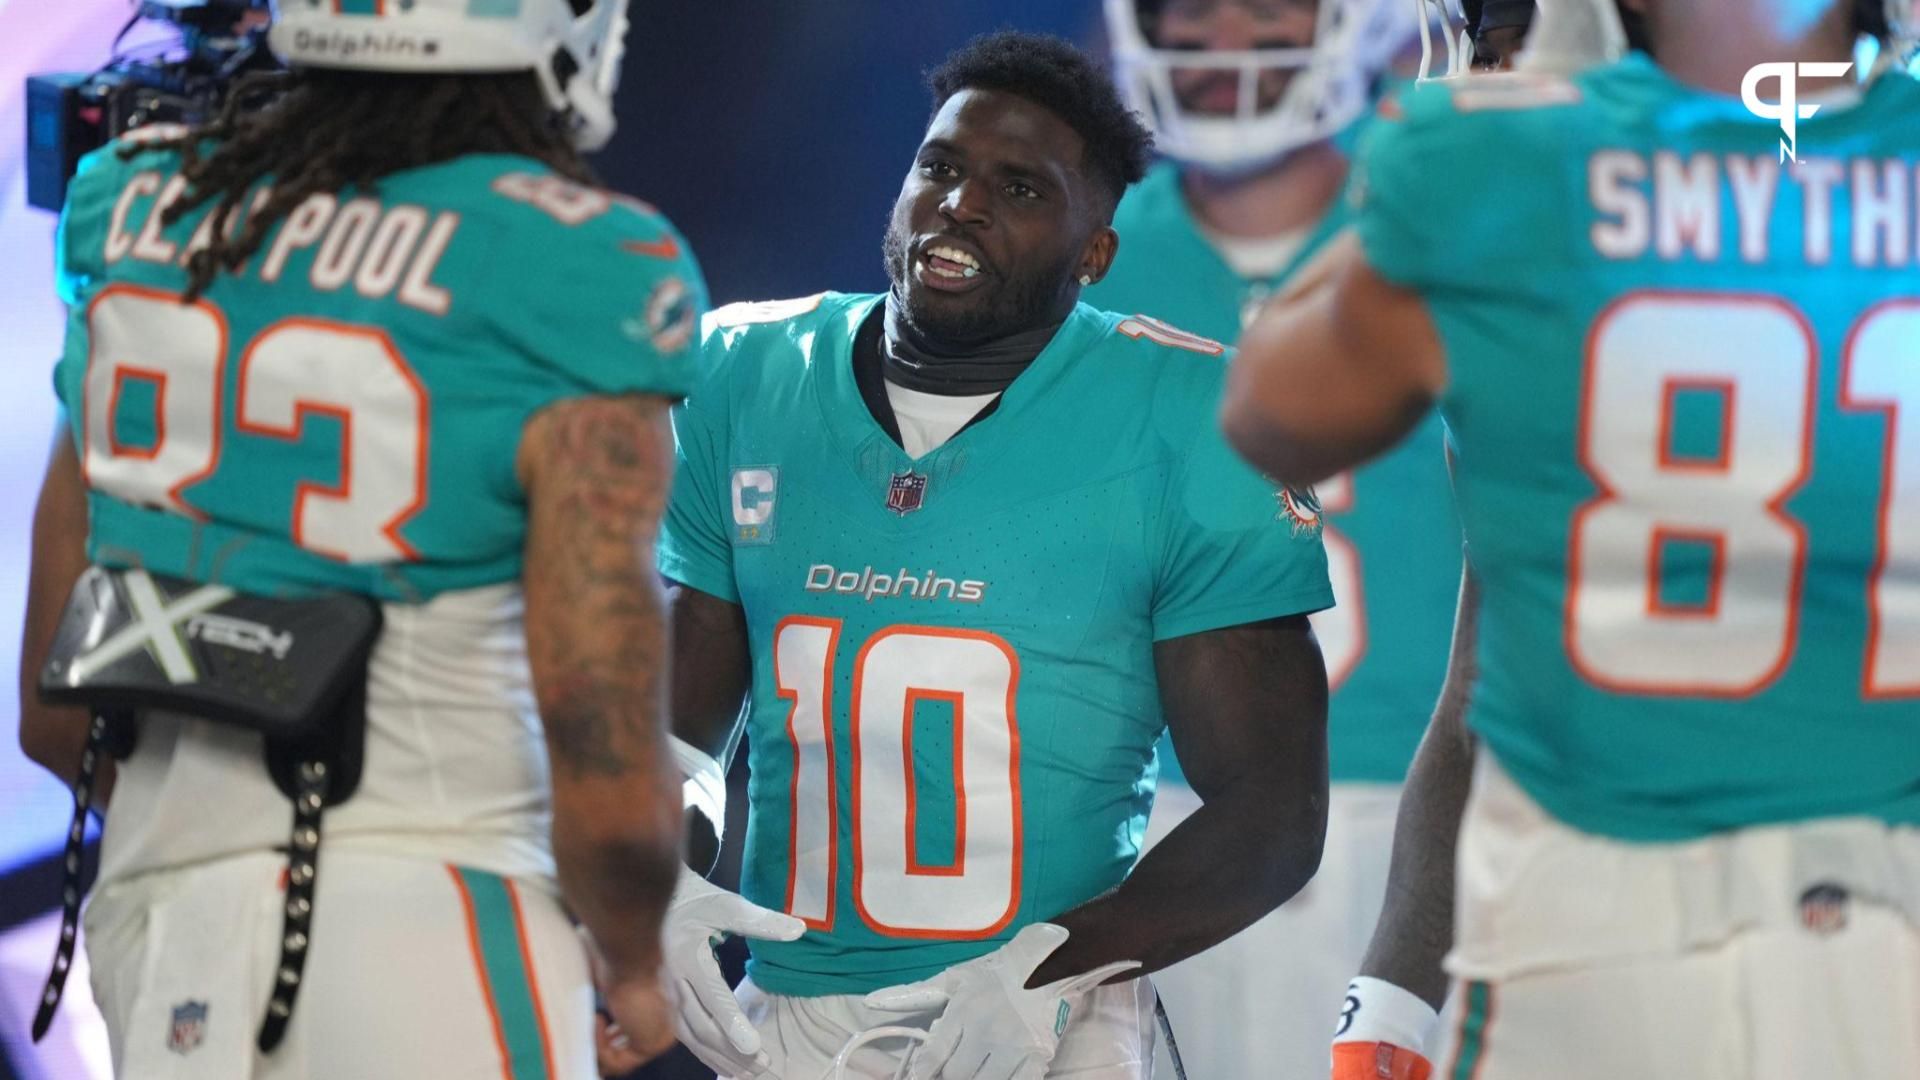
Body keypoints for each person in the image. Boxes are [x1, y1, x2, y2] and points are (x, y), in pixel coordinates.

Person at [1222, 0, 1920, 1076]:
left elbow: (1274, 414)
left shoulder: (1529, 189)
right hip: (1880, 901)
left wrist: (1453, 170)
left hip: (1590, 900)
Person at [16, 1, 704, 1076]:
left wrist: (212, 838)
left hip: (156, 930)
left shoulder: (127, 201)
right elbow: (609, 785)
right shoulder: (579, 261)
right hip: (435, 918)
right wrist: (632, 971)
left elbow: (54, 716)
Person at [637, 30, 1334, 1080]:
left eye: (1018, 189)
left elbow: (1273, 813)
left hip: (1043, 1023)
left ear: (1093, 250)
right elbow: (682, 732)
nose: (960, 204)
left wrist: (1047, 967)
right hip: (783, 1019)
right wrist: (657, 884)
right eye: (940, 168)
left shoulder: (1187, 417)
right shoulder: (745, 374)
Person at [1092, 3, 1457, 1076]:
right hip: (1153, 818)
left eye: (1266, 9)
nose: (1224, 44)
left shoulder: (1452, 226)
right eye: (1193, 12)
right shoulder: (1073, 241)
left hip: (1425, 821)